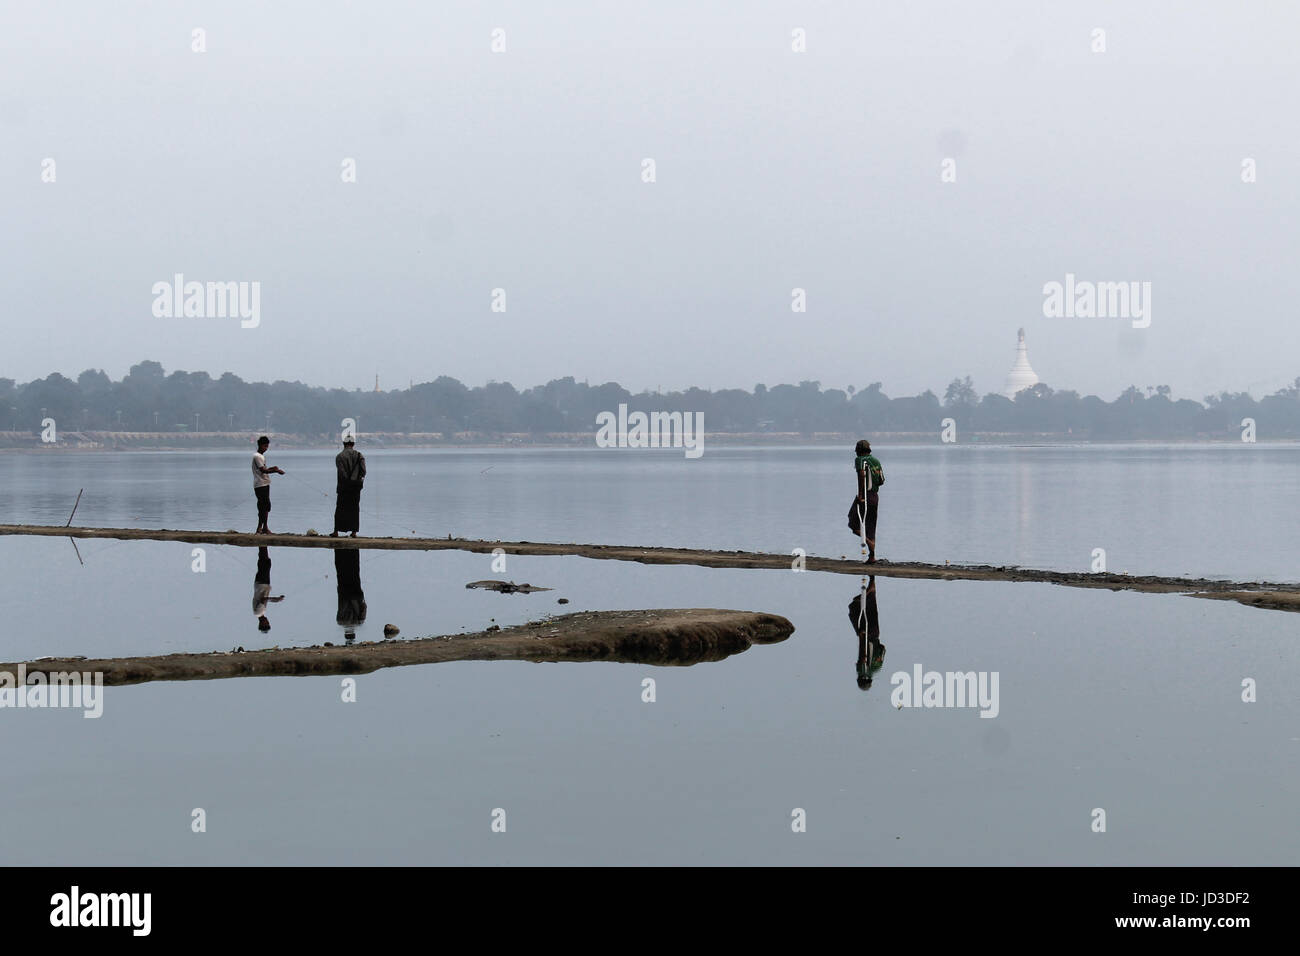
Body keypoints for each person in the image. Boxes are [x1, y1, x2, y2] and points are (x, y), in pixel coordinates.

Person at [848, 576, 885, 690]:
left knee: (872, 608)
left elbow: (883, 648)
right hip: (866, 635)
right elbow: (863, 654)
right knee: (853, 608)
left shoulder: (877, 667)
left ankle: (872, 583)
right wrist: (861, 635)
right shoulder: (862, 670)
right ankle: (868, 591)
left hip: (875, 634)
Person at [853, 439, 884, 563]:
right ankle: (872, 556)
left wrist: (860, 495)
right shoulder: (876, 461)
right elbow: (881, 480)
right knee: (871, 526)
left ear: (859, 450)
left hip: (865, 495)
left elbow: (861, 475)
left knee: (853, 523)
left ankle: (870, 543)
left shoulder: (860, 460)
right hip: (875, 496)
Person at [331, 437, 366, 538]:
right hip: (356, 487)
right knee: (354, 509)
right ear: (353, 444)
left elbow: (342, 473)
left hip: (343, 487)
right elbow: (363, 471)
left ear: (343, 444)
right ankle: (354, 532)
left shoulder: (339, 456)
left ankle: (336, 531)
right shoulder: (360, 455)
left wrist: (347, 481)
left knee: (340, 509)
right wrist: (358, 480)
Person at [251, 435, 285, 534]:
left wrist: (273, 468)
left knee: (264, 506)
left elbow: (264, 469)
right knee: (263, 507)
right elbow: (263, 470)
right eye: (265, 446)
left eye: (267, 446)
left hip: (264, 484)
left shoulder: (260, 456)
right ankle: (262, 528)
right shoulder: (257, 456)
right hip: (260, 485)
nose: (266, 448)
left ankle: (262, 527)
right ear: (260, 445)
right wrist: (276, 470)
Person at [334, 547, 367, 643]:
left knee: (349, 570)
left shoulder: (359, 623)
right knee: (348, 569)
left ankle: (346, 550)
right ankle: (346, 549)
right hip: (344, 593)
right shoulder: (340, 622)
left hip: (354, 594)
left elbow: (364, 607)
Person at [253, 546, 285, 632]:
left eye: (266, 624)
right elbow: (264, 600)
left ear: (261, 624)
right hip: (262, 583)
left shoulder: (259, 613)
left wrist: (276, 599)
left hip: (261, 583)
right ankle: (262, 543)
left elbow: (263, 599)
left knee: (265, 562)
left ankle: (262, 542)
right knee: (265, 562)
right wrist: (275, 600)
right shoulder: (260, 613)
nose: (267, 622)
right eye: (268, 623)